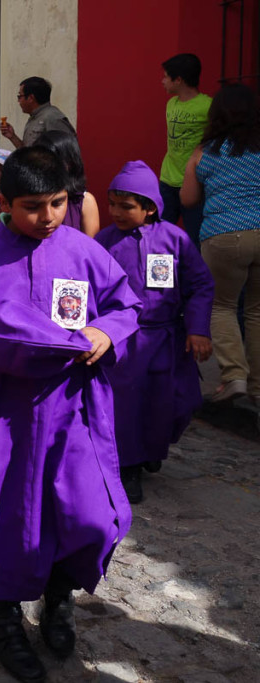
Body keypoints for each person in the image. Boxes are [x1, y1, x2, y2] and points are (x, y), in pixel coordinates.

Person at [0, 146, 141, 683]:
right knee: (2, 513)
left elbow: (127, 306)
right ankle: (3, 616)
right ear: (1, 202)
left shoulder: (84, 252)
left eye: (58, 203)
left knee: (84, 513)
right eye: (31, 206)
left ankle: (58, 595)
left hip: (75, 409)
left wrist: (105, 331)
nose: (47, 217)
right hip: (3, 412)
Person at [96, 160, 213, 504]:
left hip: (168, 338)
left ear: (149, 208)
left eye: (125, 206)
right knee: (129, 407)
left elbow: (201, 284)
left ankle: (153, 445)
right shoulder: (104, 242)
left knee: (178, 401)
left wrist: (198, 328)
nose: (115, 211)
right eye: (112, 204)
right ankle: (129, 466)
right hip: (125, 342)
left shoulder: (176, 239)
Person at [181, 83, 260, 403]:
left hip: (224, 235)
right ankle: (257, 386)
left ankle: (233, 377)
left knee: (221, 305)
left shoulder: (205, 152)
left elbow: (187, 198)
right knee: (256, 310)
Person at [159, 53, 211, 247]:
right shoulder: (171, 104)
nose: (162, 81)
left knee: (196, 237)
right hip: (167, 179)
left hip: (195, 182)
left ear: (178, 79)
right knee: (160, 233)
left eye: (166, 76)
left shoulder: (207, 106)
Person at [36, 131, 100, 237]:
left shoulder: (84, 201)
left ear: (70, 163)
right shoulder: (25, 198)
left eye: (53, 161)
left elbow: (89, 247)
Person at [0, 76, 76, 148]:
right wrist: (13, 137)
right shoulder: (35, 117)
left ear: (30, 98)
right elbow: (28, 154)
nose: (18, 101)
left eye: (20, 96)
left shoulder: (52, 118)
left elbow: (66, 152)